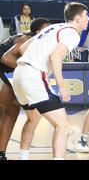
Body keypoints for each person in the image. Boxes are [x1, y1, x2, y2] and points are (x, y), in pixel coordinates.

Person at [12, 2, 89, 160]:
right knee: (63, 125)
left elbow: (22, 48)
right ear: (77, 18)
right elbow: (55, 57)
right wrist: (61, 86)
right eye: (86, 16)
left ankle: (23, 157)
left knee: (33, 118)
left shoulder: (52, 27)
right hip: (33, 76)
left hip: (19, 73)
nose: (88, 19)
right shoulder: (73, 33)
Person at [0, 18, 50, 160]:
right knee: (11, 109)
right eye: (47, 28)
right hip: (2, 69)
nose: (50, 31)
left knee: (11, 110)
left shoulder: (36, 40)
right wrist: (30, 68)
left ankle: (1, 153)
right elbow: (6, 59)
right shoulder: (28, 39)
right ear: (39, 31)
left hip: (6, 74)